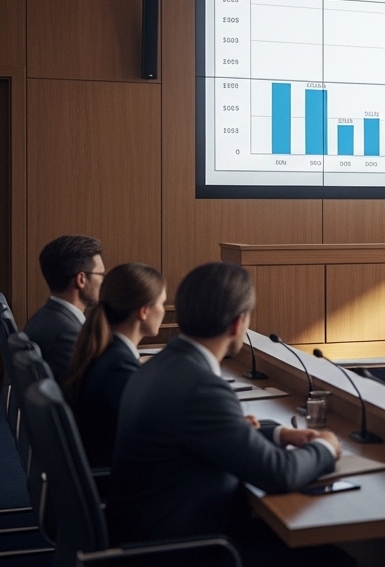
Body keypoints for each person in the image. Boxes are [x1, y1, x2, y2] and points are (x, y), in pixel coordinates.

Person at [108, 262, 341, 561]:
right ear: (237, 323)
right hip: (187, 547)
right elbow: (278, 473)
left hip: (150, 530)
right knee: (331, 560)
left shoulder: (162, 365)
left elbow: (214, 434)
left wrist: (281, 434)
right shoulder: (200, 387)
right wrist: (325, 447)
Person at [64, 263, 166, 468]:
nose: (163, 311)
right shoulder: (118, 368)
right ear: (144, 311)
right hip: (117, 482)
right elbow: (161, 433)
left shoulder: (108, 353)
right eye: (162, 303)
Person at [26, 235, 104, 384]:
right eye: (100, 275)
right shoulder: (68, 334)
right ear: (81, 279)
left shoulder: (45, 317)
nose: (103, 281)